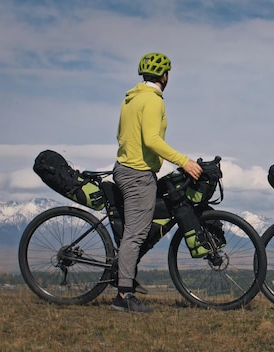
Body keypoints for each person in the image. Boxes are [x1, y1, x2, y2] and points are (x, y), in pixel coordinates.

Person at [111, 52, 203, 312]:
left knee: (135, 230)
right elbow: (151, 139)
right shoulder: (153, 101)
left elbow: (120, 134)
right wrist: (183, 161)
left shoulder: (131, 99)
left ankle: (125, 276)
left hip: (125, 168)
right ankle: (123, 296)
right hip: (138, 175)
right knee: (136, 234)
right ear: (165, 76)